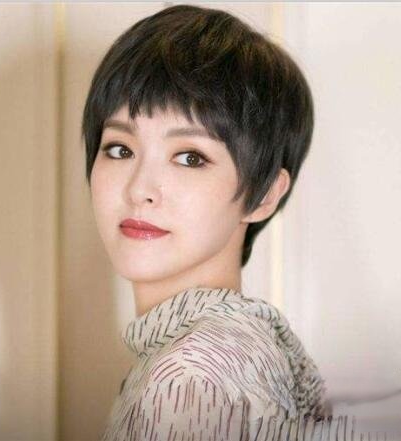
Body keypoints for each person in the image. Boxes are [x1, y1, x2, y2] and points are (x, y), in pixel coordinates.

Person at [80, 4, 357, 440]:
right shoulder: (242, 345)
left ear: (263, 195)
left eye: (190, 157)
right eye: (120, 149)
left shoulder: (188, 380)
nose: (139, 189)